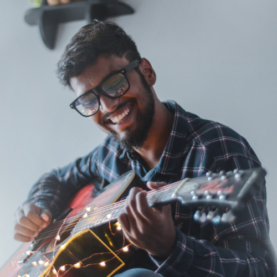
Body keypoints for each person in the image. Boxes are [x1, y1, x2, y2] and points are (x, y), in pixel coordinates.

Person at [13, 21, 275, 277]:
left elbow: (257, 268)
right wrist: (39, 206)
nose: (107, 107)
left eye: (114, 83)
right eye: (88, 100)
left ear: (147, 72)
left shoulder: (220, 152)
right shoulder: (111, 153)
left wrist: (171, 248)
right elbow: (57, 178)